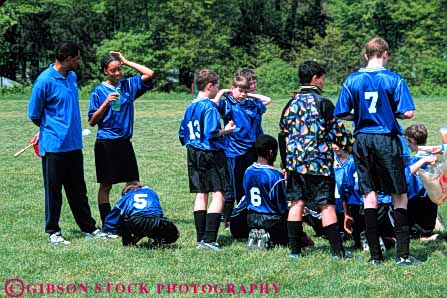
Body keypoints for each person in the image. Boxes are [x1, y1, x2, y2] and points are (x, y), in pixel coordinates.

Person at [334, 37, 418, 266]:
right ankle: (402, 255)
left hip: (361, 139)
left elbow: (341, 113)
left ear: (365, 56)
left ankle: (375, 256)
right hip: (385, 139)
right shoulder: (394, 79)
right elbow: (408, 113)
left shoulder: (352, 80)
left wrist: (360, 116)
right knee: (399, 195)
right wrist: (391, 113)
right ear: (386, 54)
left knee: (368, 196)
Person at [28, 41, 106, 245]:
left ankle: (89, 228)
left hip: (74, 145)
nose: (79, 61)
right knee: (53, 192)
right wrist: (49, 129)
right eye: (77, 57)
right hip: (54, 147)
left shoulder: (71, 77)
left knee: (78, 190)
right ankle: (53, 231)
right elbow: (34, 114)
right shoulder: (44, 81)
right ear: (69, 58)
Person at [279, 60, 353, 259]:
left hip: (295, 162)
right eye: (322, 78)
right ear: (315, 78)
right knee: (326, 205)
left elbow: (283, 134)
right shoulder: (323, 103)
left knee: (296, 203)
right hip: (318, 163)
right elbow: (338, 133)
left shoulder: (290, 103)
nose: (323, 82)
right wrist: (350, 143)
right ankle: (337, 252)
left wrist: (285, 164)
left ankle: (295, 251)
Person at [88, 52, 155, 226]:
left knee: (134, 183)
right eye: (113, 70)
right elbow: (92, 121)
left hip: (124, 142)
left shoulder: (128, 85)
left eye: (119, 69)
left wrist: (126, 61)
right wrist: (105, 103)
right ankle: (107, 224)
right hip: (106, 143)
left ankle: (132, 219)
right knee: (106, 185)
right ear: (105, 72)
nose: (117, 73)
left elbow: (149, 73)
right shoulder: (98, 91)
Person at [178, 69, 235, 251]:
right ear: (210, 86)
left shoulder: (190, 106)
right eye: (216, 86)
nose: (217, 89)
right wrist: (226, 130)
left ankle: (200, 238)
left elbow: (182, 134)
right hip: (210, 153)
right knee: (219, 193)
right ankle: (210, 239)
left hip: (193, 152)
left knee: (201, 193)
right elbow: (211, 133)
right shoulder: (209, 107)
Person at [218, 70, 271, 225]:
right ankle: (228, 218)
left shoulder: (251, 103)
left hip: (252, 149)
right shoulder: (228, 103)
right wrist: (223, 92)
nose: (242, 94)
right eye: (240, 90)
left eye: (245, 91)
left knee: (251, 182)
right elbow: (214, 104)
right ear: (232, 88)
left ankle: (248, 213)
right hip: (234, 150)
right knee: (233, 187)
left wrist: (248, 94)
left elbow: (267, 100)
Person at [103, 182, 179, 247]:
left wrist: (111, 229)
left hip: (136, 221)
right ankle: (157, 239)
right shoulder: (151, 192)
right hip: (155, 221)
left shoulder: (127, 196)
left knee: (124, 217)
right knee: (166, 227)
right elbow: (158, 210)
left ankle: (128, 242)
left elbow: (114, 214)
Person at [404, 124, 439, 240]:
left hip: (419, 199)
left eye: (407, 141)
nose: (407, 144)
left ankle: (422, 235)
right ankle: (427, 233)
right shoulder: (433, 156)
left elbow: (414, 184)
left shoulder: (416, 161)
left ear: (412, 140)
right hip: (432, 197)